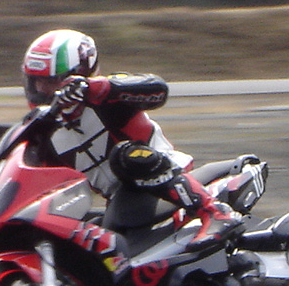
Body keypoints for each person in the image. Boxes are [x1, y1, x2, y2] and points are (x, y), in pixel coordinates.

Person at [22, 28, 242, 251]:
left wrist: (93, 88)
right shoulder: (43, 134)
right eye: (35, 82)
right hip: (122, 200)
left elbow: (158, 89)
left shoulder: (107, 96)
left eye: (50, 81)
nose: (41, 89)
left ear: (79, 73)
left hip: (165, 171)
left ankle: (215, 212)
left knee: (124, 155)